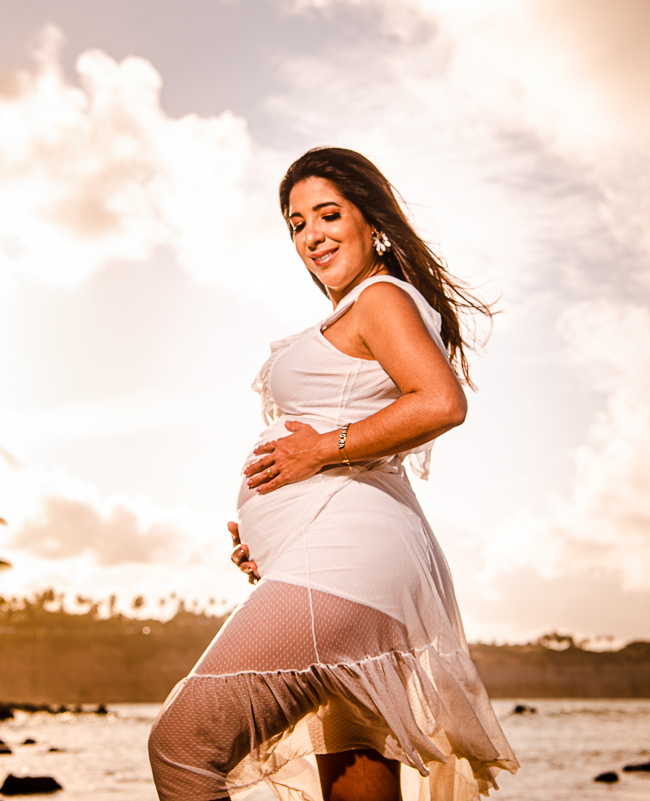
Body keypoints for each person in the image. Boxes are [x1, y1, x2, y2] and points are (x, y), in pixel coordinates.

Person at [147, 147, 518, 801]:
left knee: (182, 749)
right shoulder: (361, 308)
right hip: (335, 562)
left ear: (371, 221)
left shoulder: (378, 298)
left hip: (345, 566)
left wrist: (317, 450)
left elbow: (440, 401)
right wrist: (275, 538)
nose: (311, 234)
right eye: (296, 224)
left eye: (326, 213)